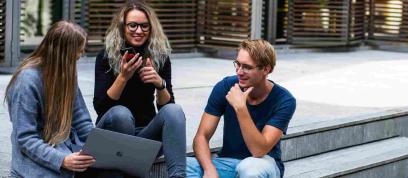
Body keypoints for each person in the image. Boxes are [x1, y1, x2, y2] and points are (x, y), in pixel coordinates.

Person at [93, 1, 186, 177]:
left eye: (144, 26)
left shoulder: (159, 56)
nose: (138, 31)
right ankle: (131, 168)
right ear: (122, 27)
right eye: (132, 25)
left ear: (151, 28)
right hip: (113, 136)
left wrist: (160, 84)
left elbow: (167, 108)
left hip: (145, 136)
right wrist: (123, 77)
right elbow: (101, 107)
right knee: (121, 113)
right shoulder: (106, 56)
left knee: (174, 111)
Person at [186, 39, 296, 178]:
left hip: (263, 164)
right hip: (229, 162)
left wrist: (240, 107)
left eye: (247, 67)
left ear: (266, 69)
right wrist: (209, 170)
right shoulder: (226, 86)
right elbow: (201, 137)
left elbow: (259, 150)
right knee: (184, 165)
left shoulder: (284, 100)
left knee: (250, 169)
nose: (239, 72)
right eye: (237, 64)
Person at [6, 21, 95, 178]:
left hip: (64, 144)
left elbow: (81, 121)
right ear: (63, 54)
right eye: (77, 53)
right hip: (36, 154)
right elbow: (26, 138)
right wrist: (61, 160)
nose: (80, 57)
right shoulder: (26, 81)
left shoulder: (66, 74)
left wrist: (99, 148)